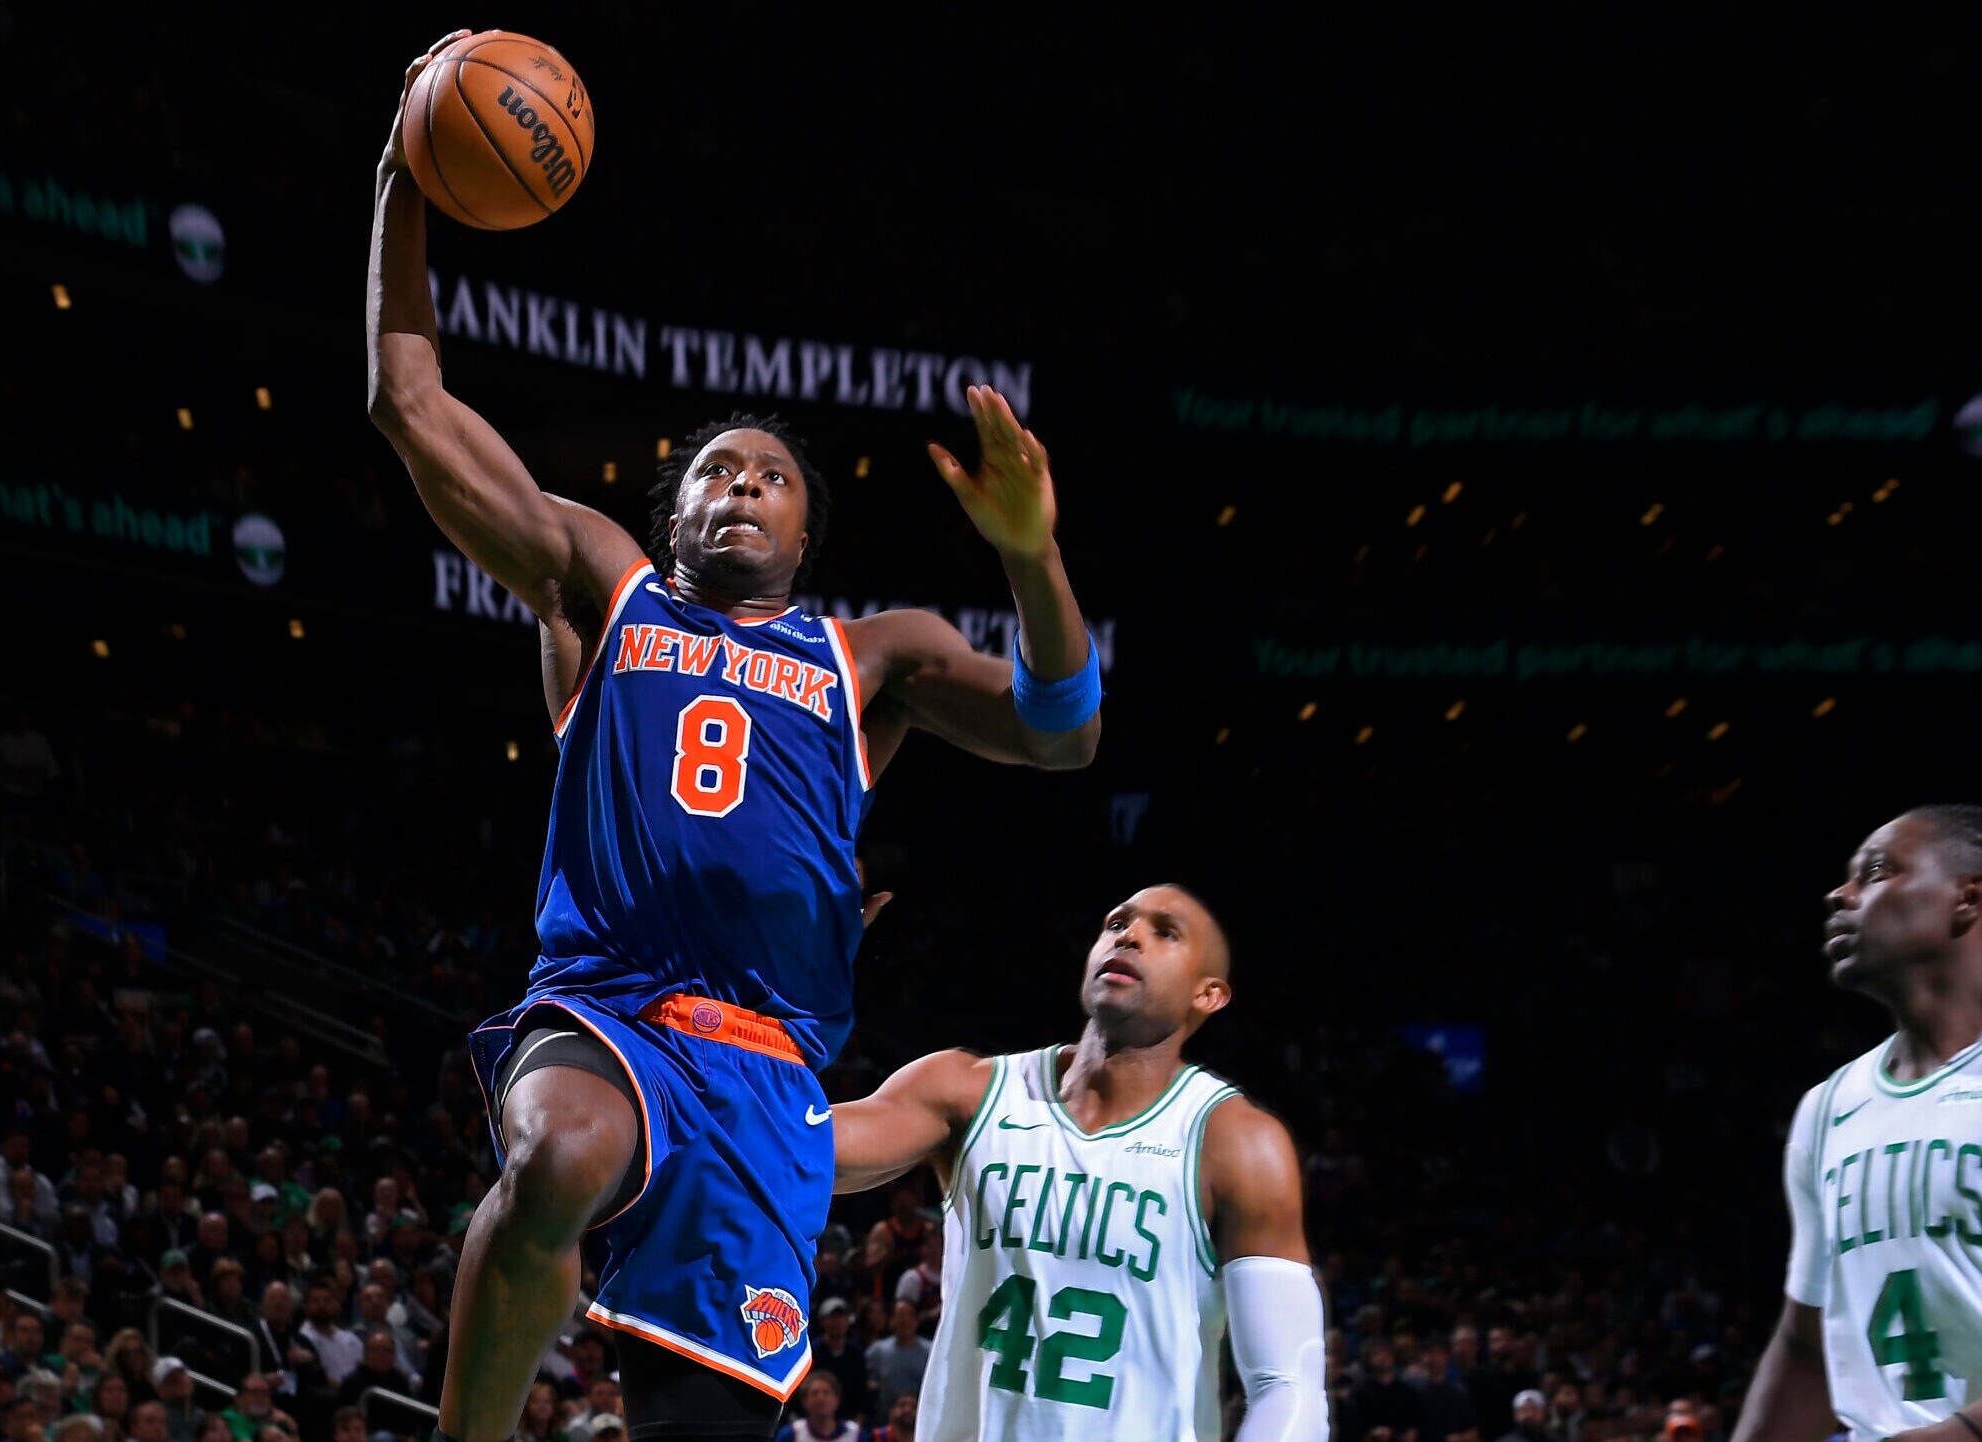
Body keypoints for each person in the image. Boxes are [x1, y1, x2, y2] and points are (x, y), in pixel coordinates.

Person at [369, 35, 1104, 1441]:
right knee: (558, 1154)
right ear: (674, 516)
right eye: (716, 471)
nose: (743, 487)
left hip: (766, 1073)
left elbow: (1061, 731)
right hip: (612, 1006)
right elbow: (408, 405)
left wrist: (1031, 554)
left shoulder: (868, 658)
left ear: (804, 531)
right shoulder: (602, 588)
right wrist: (403, 173)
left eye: (771, 476)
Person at [828, 885, 1326, 1442]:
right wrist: (795, 973)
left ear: (1207, 994)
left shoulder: (1236, 1143)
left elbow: (1289, 1386)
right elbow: (808, 1155)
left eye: (1165, 932)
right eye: (1116, 923)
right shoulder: (968, 1092)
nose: (1129, 936)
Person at [1732, 806, 1982, 1442]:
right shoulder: (1828, 1108)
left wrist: (1974, 1432)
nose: (1840, 894)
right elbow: (1808, 1350)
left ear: (1969, 898)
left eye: (1877, 871)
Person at [781, 1372, 863, 1442]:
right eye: (815, 1393)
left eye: (826, 1393)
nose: (821, 1398)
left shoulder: (856, 1435)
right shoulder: (791, 1434)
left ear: (837, 1399)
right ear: (805, 1401)